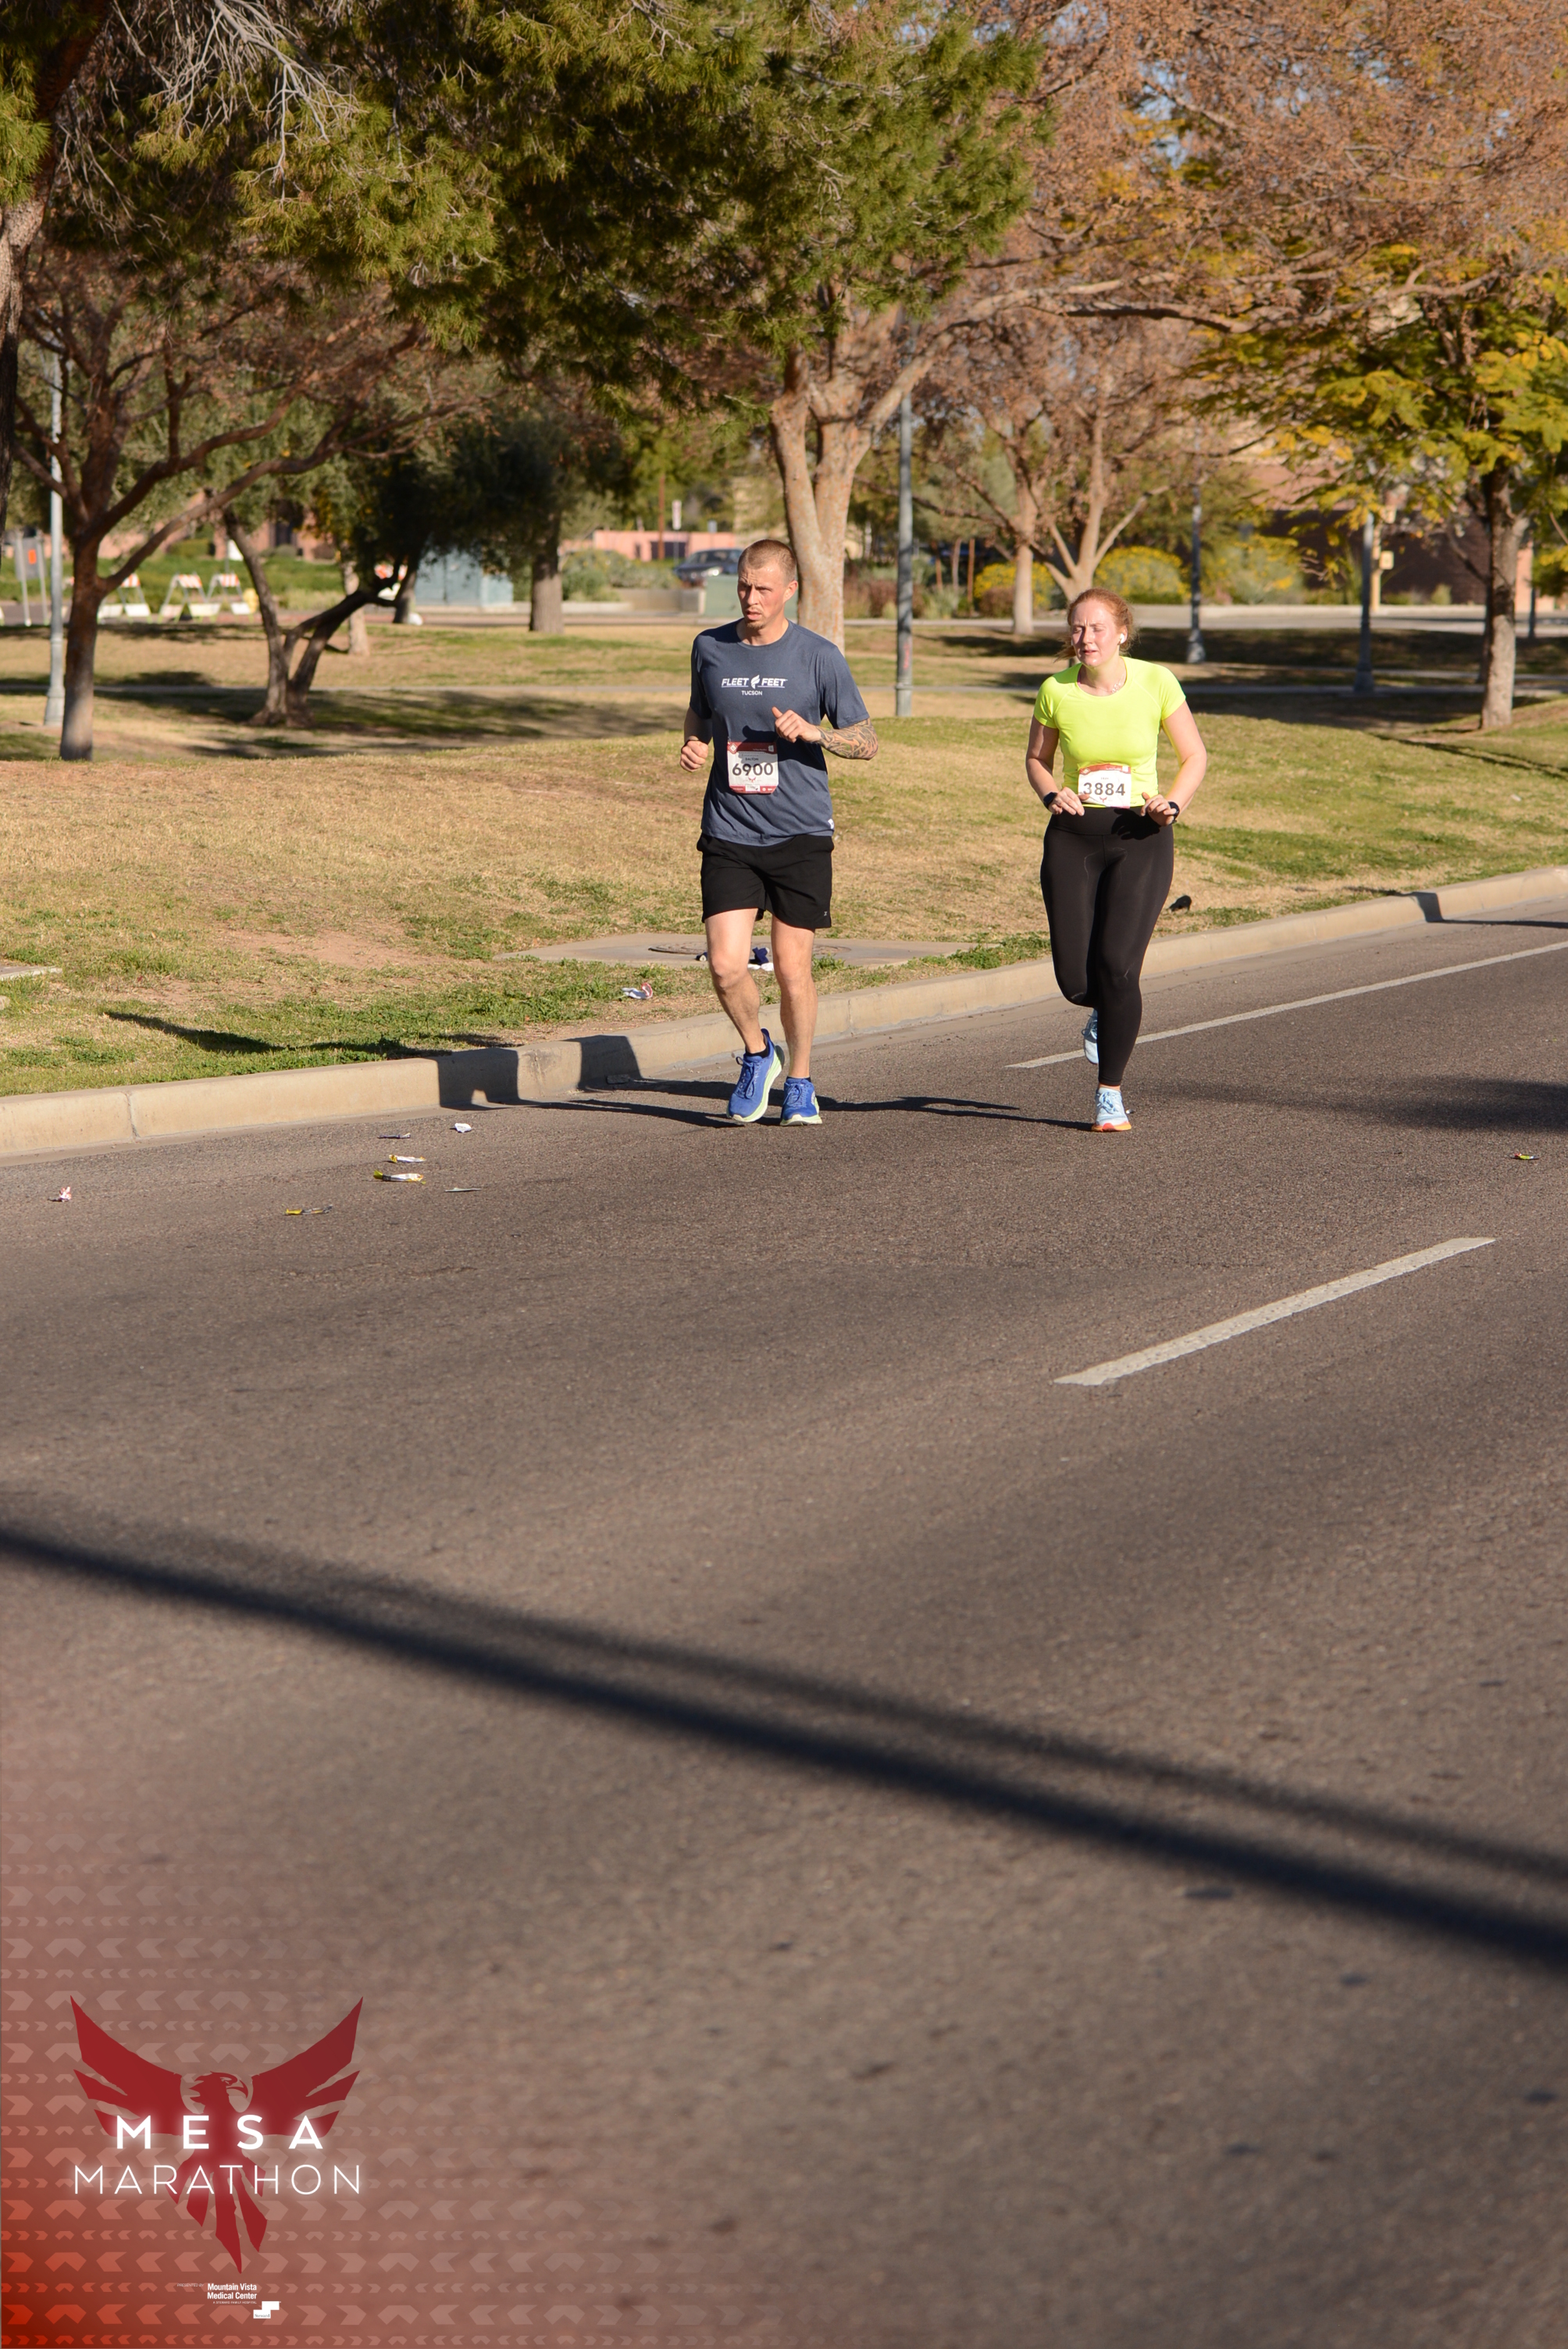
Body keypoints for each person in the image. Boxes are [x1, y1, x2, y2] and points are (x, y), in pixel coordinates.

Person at [680, 537, 878, 1123]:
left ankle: (800, 1080)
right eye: (744, 586)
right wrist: (694, 742)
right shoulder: (710, 647)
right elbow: (700, 711)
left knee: (793, 970)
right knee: (725, 965)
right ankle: (758, 1052)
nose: (751, 598)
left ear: (790, 590)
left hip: (800, 833)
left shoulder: (818, 656)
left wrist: (817, 734)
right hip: (730, 828)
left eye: (764, 589)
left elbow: (867, 740)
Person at [1024, 587, 1207, 1131]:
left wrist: (1172, 804)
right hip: (1074, 838)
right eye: (1078, 628)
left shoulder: (1156, 681)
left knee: (1119, 968)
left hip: (1141, 835)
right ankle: (1101, 1009)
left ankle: (1110, 1094)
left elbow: (1194, 755)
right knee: (1076, 982)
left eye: (1098, 628)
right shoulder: (1056, 690)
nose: (1086, 638)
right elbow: (1036, 758)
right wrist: (1050, 792)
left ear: (1122, 632)